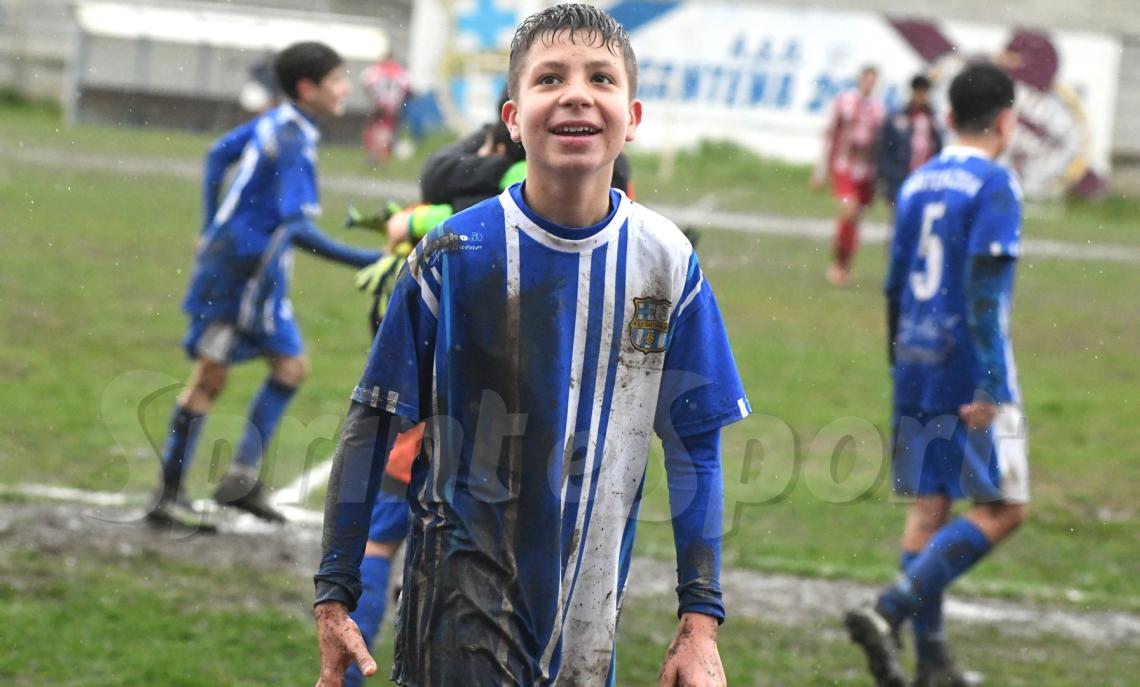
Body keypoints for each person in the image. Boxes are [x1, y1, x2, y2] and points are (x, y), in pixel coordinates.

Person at [313, 5, 750, 686]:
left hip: (586, 626)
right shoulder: (456, 252)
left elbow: (697, 442)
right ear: (514, 118)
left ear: (631, 116)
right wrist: (335, 592)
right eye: (550, 78)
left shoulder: (667, 261)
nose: (576, 92)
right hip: (455, 617)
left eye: (600, 78)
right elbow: (372, 418)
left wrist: (700, 622)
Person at [342, 92, 641, 687]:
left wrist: (414, 218)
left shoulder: (465, 213)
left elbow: (436, 197)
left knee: (384, 542)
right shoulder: (600, 199)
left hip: (451, 409)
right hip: (546, 420)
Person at [145, 42, 385, 530]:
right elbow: (297, 230)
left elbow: (217, 156)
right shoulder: (292, 139)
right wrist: (372, 260)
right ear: (307, 88)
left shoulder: (280, 122)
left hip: (255, 272)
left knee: (291, 368)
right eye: (338, 79)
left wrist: (209, 223)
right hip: (238, 274)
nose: (346, 88)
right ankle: (167, 496)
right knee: (210, 379)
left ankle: (239, 480)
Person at [845, 62, 1027, 687]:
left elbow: (895, 283)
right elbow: (982, 289)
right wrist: (991, 382)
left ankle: (933, 664)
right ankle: (890, 607)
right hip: (965, 364)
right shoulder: (996, 184)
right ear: (1006, 119)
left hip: (915, 357)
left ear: (948, 118)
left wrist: (901, 355)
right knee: (1005, 508)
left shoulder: (920, 181)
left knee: (928, 508)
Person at [813, 65, 886, 286]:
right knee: (849, 209)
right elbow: (830, 135)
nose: (869, 84)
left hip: (867, 170)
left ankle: (845, 264)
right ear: (860, 80)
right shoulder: (843, 102)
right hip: (844, 166)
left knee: (855, 218)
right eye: (867, 80)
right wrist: (821, 170)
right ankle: (837, 264)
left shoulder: (879, 108)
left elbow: (882, 141)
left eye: (873, 81)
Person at [877, 74, 943, 215]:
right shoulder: (899, 118)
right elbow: (886, 150)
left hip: (927, 177)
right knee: (902, 218)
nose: (922, 96)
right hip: (903, 176)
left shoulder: (932, 119)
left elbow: (938, 148)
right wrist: (888, 178)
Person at [361, 52, 412, 163]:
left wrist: (373, 97)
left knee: (375, 128)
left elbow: (366, 83)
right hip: (393, 104)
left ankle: (375, 154)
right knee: (386, 129)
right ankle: (380, 155)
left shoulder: (376, 70)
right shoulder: (400, 72)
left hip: (379, 103)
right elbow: (408, 88)